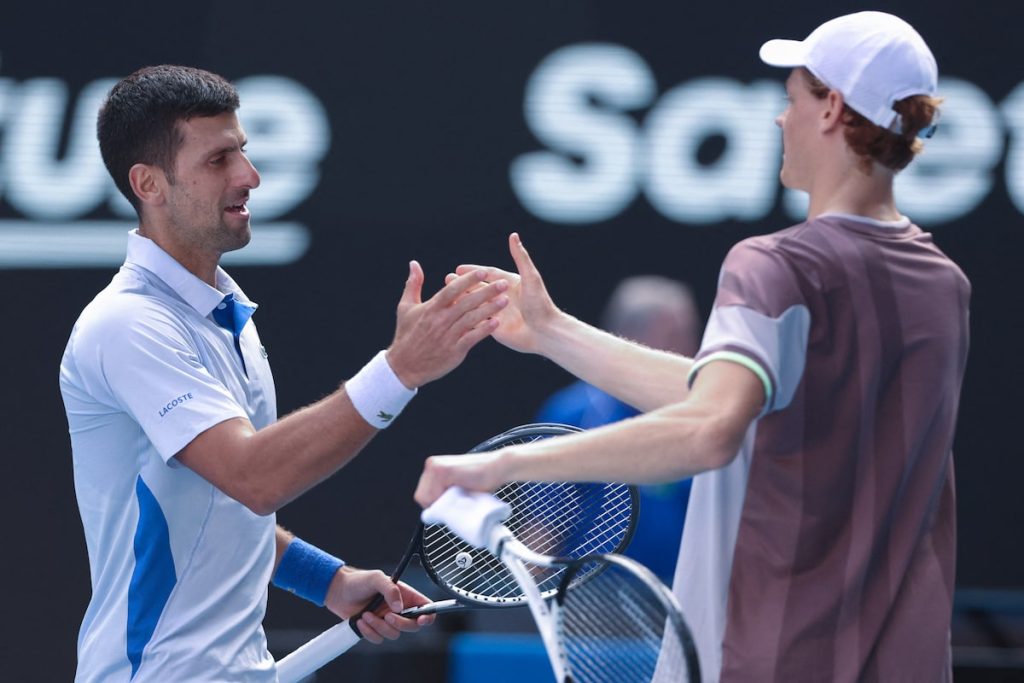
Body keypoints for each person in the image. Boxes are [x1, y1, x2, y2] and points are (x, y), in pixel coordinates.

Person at [416, 12, 969, 682]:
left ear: (831, 110)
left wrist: (505, 465)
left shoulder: (776, 266)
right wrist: (554, 332)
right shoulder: (943, 284)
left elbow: (710, 428)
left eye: (791, 99)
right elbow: (735, 400)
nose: (778, 120)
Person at [59, 65, 509, 682]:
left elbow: (209, 513)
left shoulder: (223, 311)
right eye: (218, 160)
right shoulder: (128, 326)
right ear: (149, 184)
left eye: (242, 150)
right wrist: (400, 369)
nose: (250, 175)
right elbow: (253, 478)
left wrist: (329, 581)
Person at [534, 275, 702, 580]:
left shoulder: (705, 415)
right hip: (591, 606)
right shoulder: (574, 415)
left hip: (687, 601)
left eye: (690, 334)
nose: (689, 348)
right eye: (674, 335)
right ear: (628, 339)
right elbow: (542, 527)